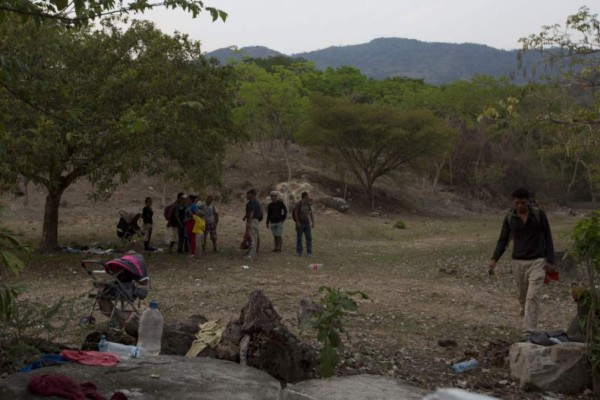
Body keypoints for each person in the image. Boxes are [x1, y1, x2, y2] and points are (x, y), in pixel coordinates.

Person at [489, 187, 555, 338]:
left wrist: (550, 261)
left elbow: (548, 237)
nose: (519, 206)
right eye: (516, 203)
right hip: (518, 262)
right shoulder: (509, 218)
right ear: (513, 202)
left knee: (533, 296)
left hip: (537, 261)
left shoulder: (539, 215)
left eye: (523, 203)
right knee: (523, 297)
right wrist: (494, 259)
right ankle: (525, 312)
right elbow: (503, 240)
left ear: (529, 201)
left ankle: (529, 331)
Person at [293, 192, 314, 257]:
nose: (308, 198)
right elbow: (295, 213)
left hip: (307, 223)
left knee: (309, 238)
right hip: (300, 223)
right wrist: (297, 222)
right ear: (304, 197)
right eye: (307, 196)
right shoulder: (299, 204)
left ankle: (309, 252)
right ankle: (299, 252)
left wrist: (313, 222)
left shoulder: (308, 205)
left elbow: (310, 213)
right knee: (299, 238)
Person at [242, 189, 262, 259]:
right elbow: (249, 212)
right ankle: (251, 251)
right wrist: (245, 217)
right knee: (251, 235)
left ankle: (252, 254)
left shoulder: (253, 202)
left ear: (251, 194)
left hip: (252, 220)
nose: (247, 196)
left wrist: (249, 222)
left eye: (248, 194)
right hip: (253, 220)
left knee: (252, 236)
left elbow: (252, 213)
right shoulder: (252, 202)